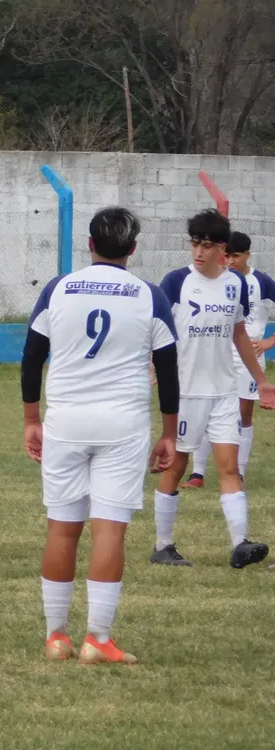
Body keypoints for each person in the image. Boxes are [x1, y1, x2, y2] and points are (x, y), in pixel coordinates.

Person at [23, 207, 178, 665]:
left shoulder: (59, 288)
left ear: (89, 244)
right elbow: (168, 371)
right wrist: (169, 433)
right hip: (123, 425)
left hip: (66, 421)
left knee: (62, 527)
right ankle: (98, 639)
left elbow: (32, 357)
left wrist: (32, 419)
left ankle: (56, 638)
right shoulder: (149, 295)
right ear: (133, 248)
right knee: (110, 528)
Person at [152, 210, 275, 569]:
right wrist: (151, 370)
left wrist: (262, 381)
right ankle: (163, 545)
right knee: (177, 467)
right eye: (194, 244)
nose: (199, 252)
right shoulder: (176, 282)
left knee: (229, 467)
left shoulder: (234, 285)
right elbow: (157, 333)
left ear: (222, 248)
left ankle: (240, 543)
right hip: (186, 392)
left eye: (206, 245)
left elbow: (239, 334)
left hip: (224, 392)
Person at [184, 231, 275, 487]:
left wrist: (269, 341)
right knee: (206, 408)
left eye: (236, 256)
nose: (231, 261)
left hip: (249, 355)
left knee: (244, 414)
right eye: (228, 255)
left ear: (248, 254)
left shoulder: (262, 282)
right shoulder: (217, 281)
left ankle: (241, 472)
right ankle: (197, 473)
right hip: (219, 353)